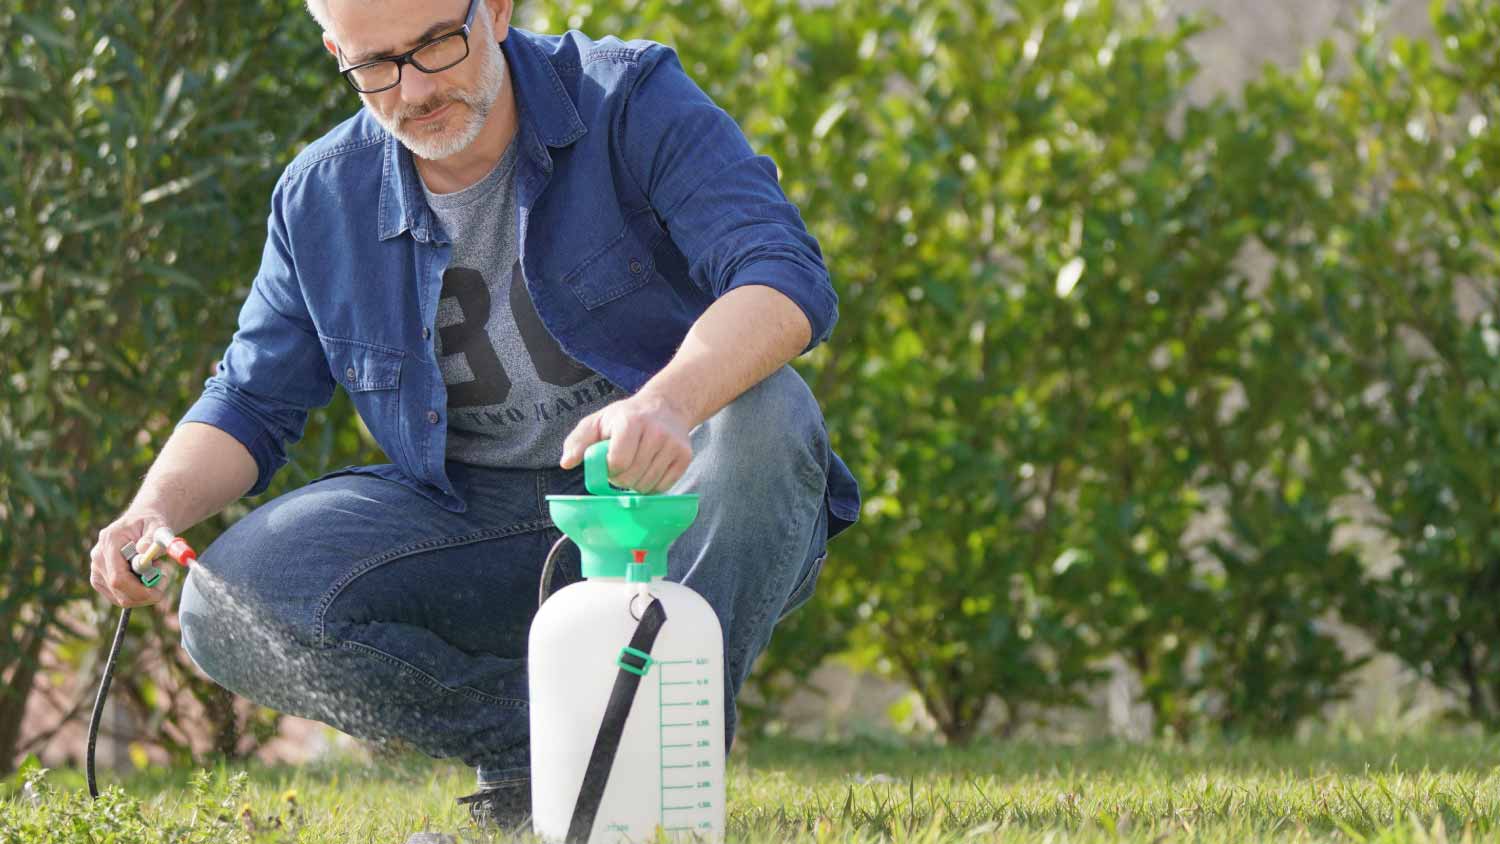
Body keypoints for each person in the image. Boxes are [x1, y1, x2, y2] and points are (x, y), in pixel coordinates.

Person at [86, 0, 859, 832]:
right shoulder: (320, 196)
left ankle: (643, 759)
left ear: (493, 9)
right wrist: (151, 511)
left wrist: (668, 404)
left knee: (768, 415)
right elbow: (249, 399)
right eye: (375, 65)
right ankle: (552, 758)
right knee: (225, 605)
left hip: (667, 506)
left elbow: (782, 274)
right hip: (473, 529)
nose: (413, 89)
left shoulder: (630, 96)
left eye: (433, 45)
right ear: (334, 51)